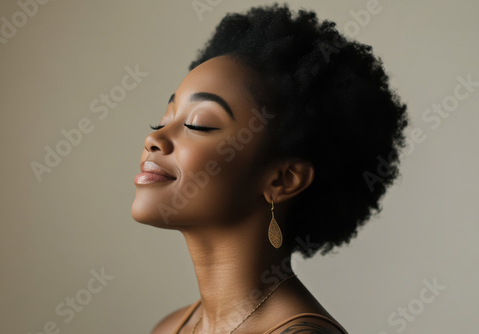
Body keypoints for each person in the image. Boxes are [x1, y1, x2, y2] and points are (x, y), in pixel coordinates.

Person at [131, 3, 408, 333]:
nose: (154, 137)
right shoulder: (170, 328)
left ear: (283, 179)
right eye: (164, 119)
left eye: (199, 124)